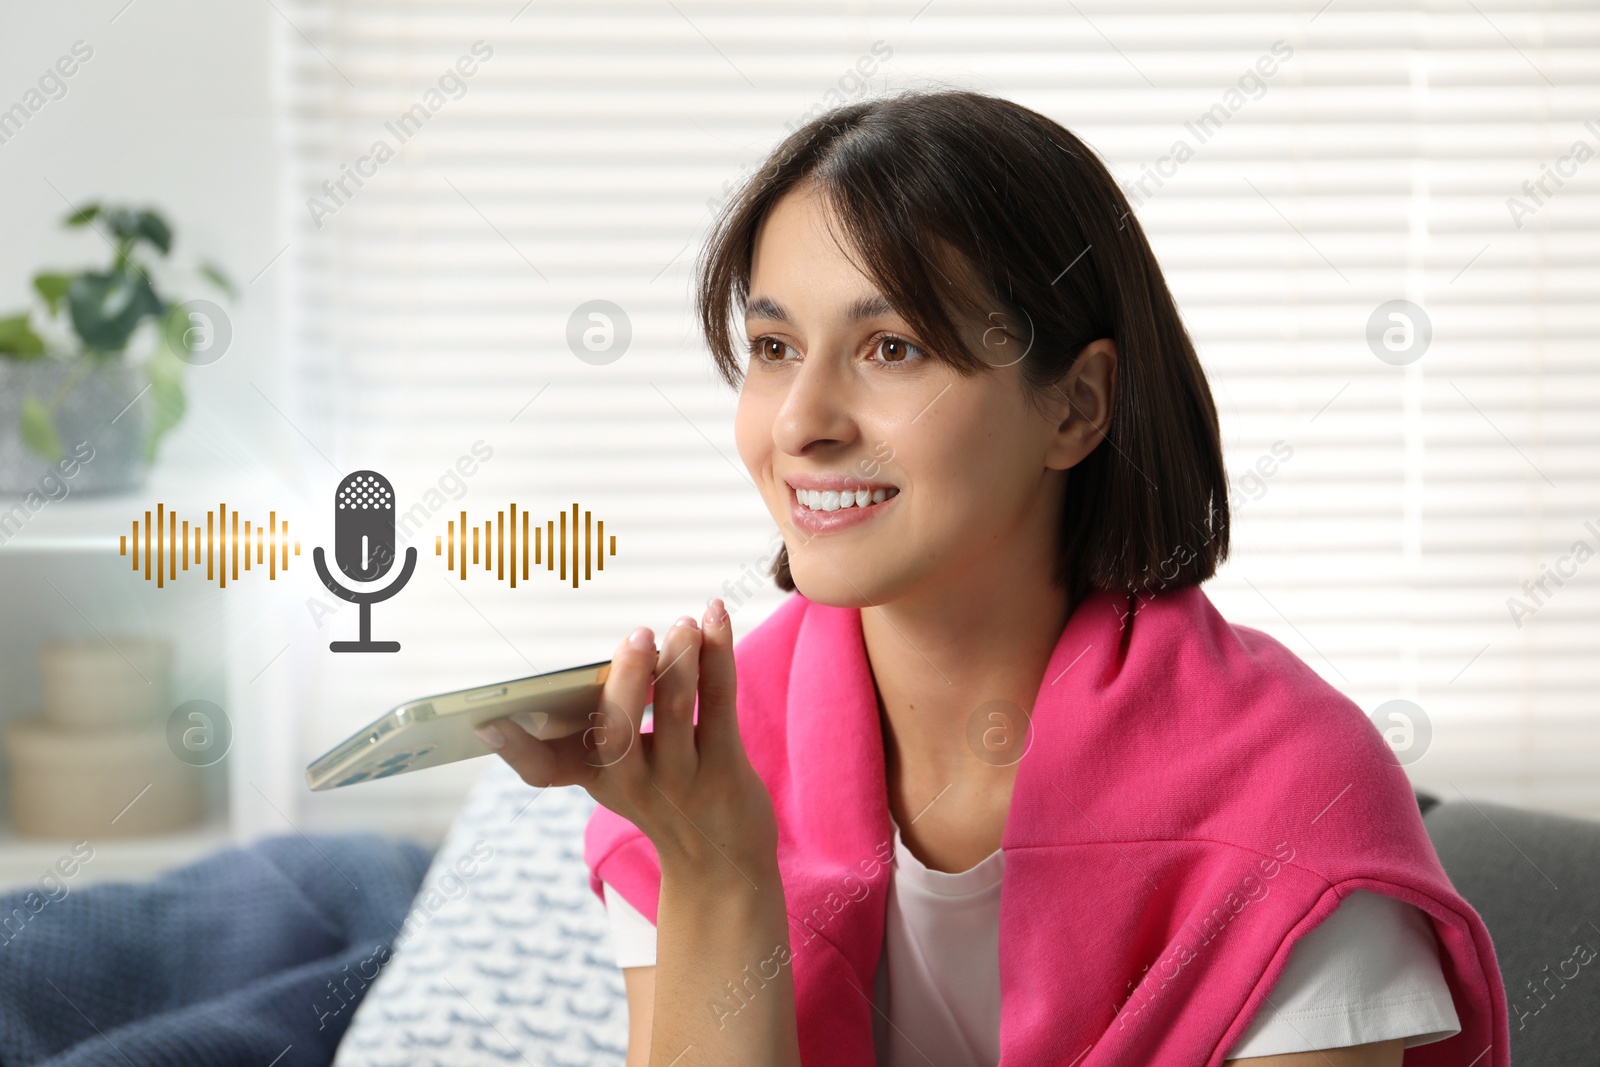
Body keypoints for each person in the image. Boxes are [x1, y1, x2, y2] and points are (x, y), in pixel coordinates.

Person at [474, 90, 1505, 1066]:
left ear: (1075, 406)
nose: (800, 422)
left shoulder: (1297, 796)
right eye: (775, 345)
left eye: (892, 346)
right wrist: (717, 870)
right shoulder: (701, 778)